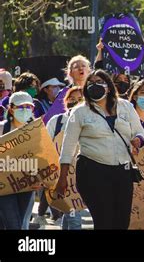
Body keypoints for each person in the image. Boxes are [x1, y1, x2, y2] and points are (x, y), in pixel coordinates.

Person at [56, 69, 144, 229]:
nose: (94, 86)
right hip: (92, 171)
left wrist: (138, 140)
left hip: (122, 173)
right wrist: (62, 178)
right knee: (104, 220)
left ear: (109, 87)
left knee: (121, 222)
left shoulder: (125, 107)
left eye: (99, 82)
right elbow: (68, 147)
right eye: (90, 83)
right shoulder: (79, 111)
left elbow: (141, 133)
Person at [46, 86, 85, 230]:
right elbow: (47, 146)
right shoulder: (56, 122)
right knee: (74, 217)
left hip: (81, 176)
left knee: (70, 215)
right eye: (71, 99)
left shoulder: (89, 121)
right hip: (62, 177)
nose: (75, 102)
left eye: (80, 99)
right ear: (65, 101)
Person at [0, 92, 38, 229]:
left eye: (29, 107)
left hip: (26, 185)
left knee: (20, 223)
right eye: (21, 107)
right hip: (4, 186)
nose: (26, 110)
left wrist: (40, 179)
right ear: (11, 109)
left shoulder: (36, 130)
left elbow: (42, 157)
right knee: (13, 225)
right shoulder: (2, 128)